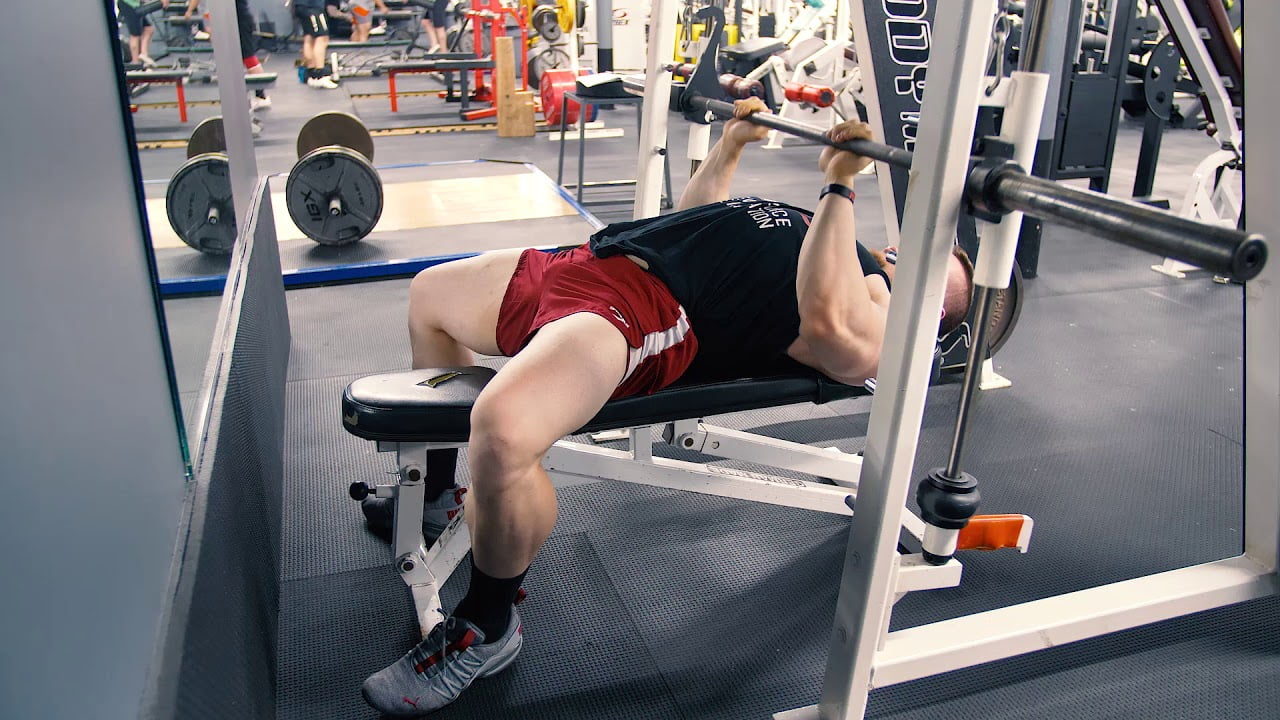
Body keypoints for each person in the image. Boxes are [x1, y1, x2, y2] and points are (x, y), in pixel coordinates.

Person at [357, 98, 975, 716]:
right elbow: (692, 223)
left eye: (928, 274)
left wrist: (838, 186)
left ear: (930, 316)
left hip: (643, 314)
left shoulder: (871, 309)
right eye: (911, 251)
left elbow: (832, 326)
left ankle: (487, 625)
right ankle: (439, 495)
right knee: (430, 295)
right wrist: (731, 146)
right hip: (590, 262)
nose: (904, 258)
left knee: (503, 429)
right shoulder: (838, 245)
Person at [183, 0, 272, 109]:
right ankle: (242, 95)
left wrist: (189, 10)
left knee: (249, 58)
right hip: (235, 21)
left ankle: (261, 97)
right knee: (236, 59)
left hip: (240, 22)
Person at [293, 0, 339, 88]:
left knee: (309, 38)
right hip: (312, 7)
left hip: (303, 6)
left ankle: (312, 75)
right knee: (322, 38)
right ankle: (320, 75)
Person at [117, 0, 169, 67]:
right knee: (135, 35)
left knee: (148, 29)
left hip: (135, 5)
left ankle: (143, 54)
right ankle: (135, 63)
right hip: (128, 4)